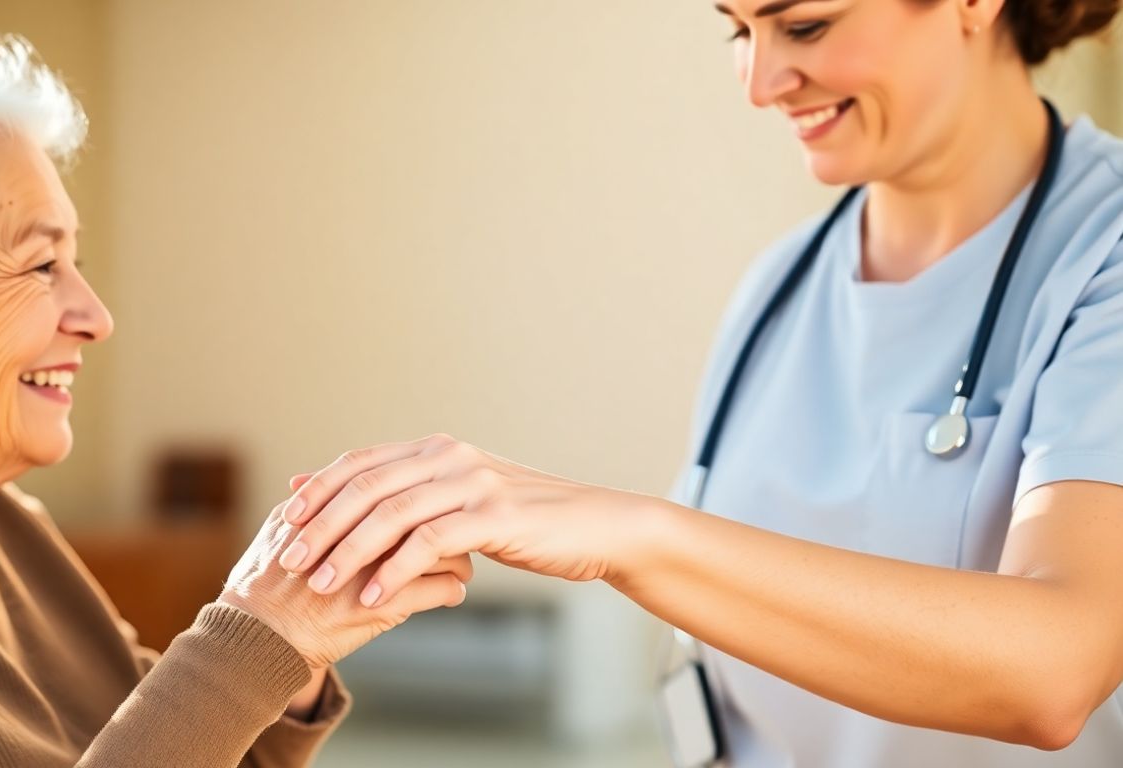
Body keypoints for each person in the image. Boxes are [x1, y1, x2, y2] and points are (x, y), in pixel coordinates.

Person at [272, 0, 1123, 765]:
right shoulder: (779, 286)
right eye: (736, 30)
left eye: (803, 25)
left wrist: (633, 534)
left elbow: (1053, 675)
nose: (760, 84)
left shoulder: (1101, 254)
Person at [0, 36, 470, 767]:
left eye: (78, 263)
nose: (96, 316)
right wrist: (261, 632)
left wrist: (299, 639)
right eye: (41, 265)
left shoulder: (5, 525)